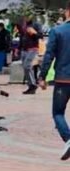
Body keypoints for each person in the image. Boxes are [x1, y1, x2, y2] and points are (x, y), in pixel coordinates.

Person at [39, 1, 70, 160]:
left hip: (63, 78)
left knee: (58, 112)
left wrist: (42, 76)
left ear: (67, 12)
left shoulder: (57, 31)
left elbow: (48, 55)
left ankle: (68, 138)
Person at [21, 16, 43, 94]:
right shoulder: (24, 24)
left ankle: (33, 85)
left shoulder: (36, 24)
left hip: (33, 48)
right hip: (24, 49)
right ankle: (31, 86)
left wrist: (35, 32)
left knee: (27, 66)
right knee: (25, 67)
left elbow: (41, 35)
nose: (26, 17)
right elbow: (22, 36)